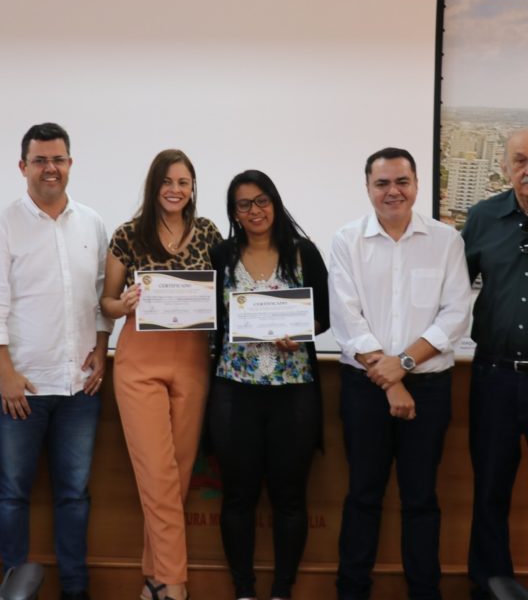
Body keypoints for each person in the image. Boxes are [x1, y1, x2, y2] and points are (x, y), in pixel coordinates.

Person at [0, 122, 110, 600]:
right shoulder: (0, 226)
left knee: (74, 496)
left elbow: (99, 298)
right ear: (23, 166)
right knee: (13, 495)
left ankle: (75, 590)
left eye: (58, 159)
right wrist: (5, 374)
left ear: (70, 163)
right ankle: (16, 592)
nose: (50, 168)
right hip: (20, 388)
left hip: (78, 388)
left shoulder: (91, 222)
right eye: (40, 160)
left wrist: (103, 351)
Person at [328, 147, 471, 600]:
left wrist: (403, 366)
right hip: (364, 388)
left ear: (415, 183)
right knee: (363, 495)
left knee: (421, 499)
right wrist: (391, 381)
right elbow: (347, 319)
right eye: (382, 183)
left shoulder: (446, 240)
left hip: (428, 388)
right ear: (368, 188)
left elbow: (454, 316)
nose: (393, 192)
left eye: (402, 182)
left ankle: (424, 593)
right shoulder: (346, 240)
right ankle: (352, 592)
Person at [101, 148, 222, 600]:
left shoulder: (209, 232)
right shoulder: (129, 234)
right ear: (154, 186)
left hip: (193, 359)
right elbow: (106, 304)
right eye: (168, 182)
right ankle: (176, 585)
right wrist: (124, 303)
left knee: (178, 474)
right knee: (156, 474)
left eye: (184, 182)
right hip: (140, 361)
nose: (176, 190)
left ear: (193, 188)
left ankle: (152, 579)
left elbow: (223, 292)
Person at [208, 170, 329, 600]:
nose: (255, 211)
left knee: (290, 497)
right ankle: (243, 589)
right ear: (234, 213)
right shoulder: (220, 255)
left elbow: (324, 317)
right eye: (244, 205)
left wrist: (301, 331)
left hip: (292, 390)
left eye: (262, 201)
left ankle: (281, 590)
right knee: (237, 497)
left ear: (274, 203)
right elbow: (209, 319)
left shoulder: (303, 252)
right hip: (233, 390)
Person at [463, 127, 528, 600]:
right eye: (521, 160)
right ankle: (491, 586)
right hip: (496, 375)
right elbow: (446, 292)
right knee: (489, 489)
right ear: (505, 167)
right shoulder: (483, 218)